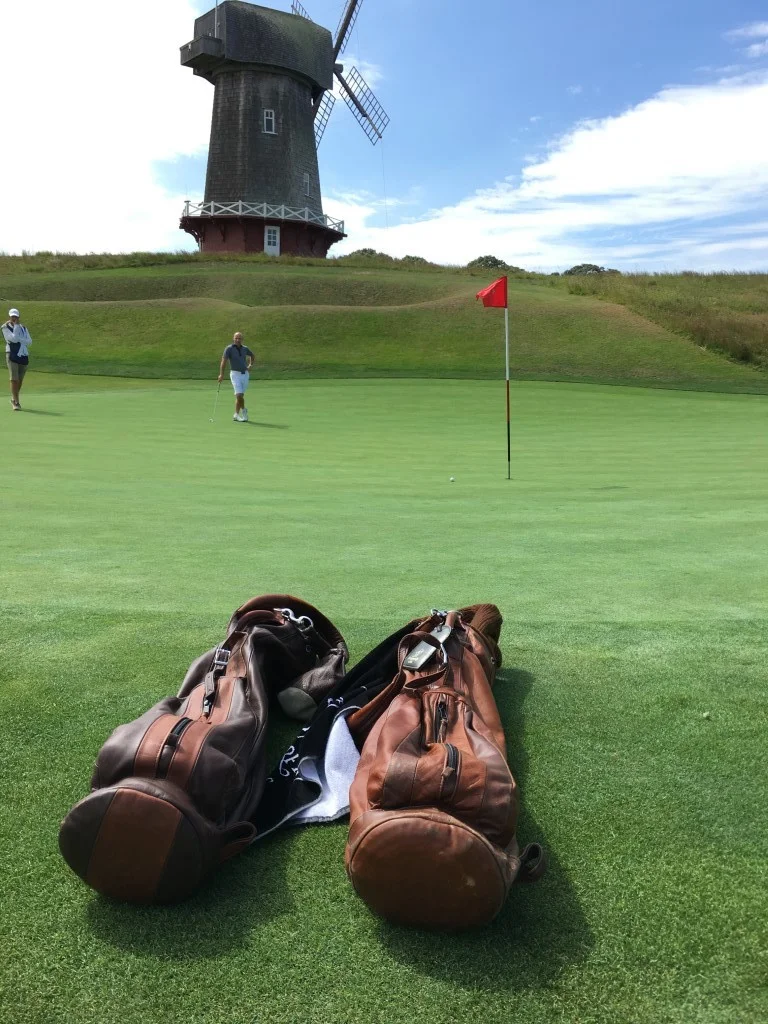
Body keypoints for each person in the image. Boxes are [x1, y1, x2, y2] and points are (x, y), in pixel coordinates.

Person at [218, 331, 254, 422]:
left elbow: (252, 355)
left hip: (245, 374)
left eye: (239, 338)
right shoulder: (229, 349)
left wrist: (250, 365)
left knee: (240, 396)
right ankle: (244, 411)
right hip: (235, 374)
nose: (238, 340)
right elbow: (223, 362)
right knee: (239, 395)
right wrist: (221, 374)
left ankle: (236, 414)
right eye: (236, 338)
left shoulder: (245, 348)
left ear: (242, 339)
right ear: (233, 339)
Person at [3, 308, 32, 411]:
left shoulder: (23, 328)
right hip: (11, 354)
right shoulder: (5, 327)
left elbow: (29, 341)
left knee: (19, 380)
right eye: (12, 316)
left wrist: (20, 339)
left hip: (23, 354)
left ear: (18, 317)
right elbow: (13, 339)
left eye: (15, 316)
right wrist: (16, 327)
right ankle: (16, 402)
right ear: (9, 316)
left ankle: (13, 398)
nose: (14, 318)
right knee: (14, 379)